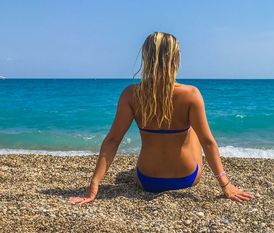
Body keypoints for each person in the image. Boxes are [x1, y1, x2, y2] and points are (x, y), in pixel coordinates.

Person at [69, 32, 253, 204]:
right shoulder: (191, 94)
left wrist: (94, 184)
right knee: (195, 133)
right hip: (187, 178)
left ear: (146, 58)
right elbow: (208, 142)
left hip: (147, 180)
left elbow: (112, 140)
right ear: (176, 58)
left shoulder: (130, 94)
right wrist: (226, 185)